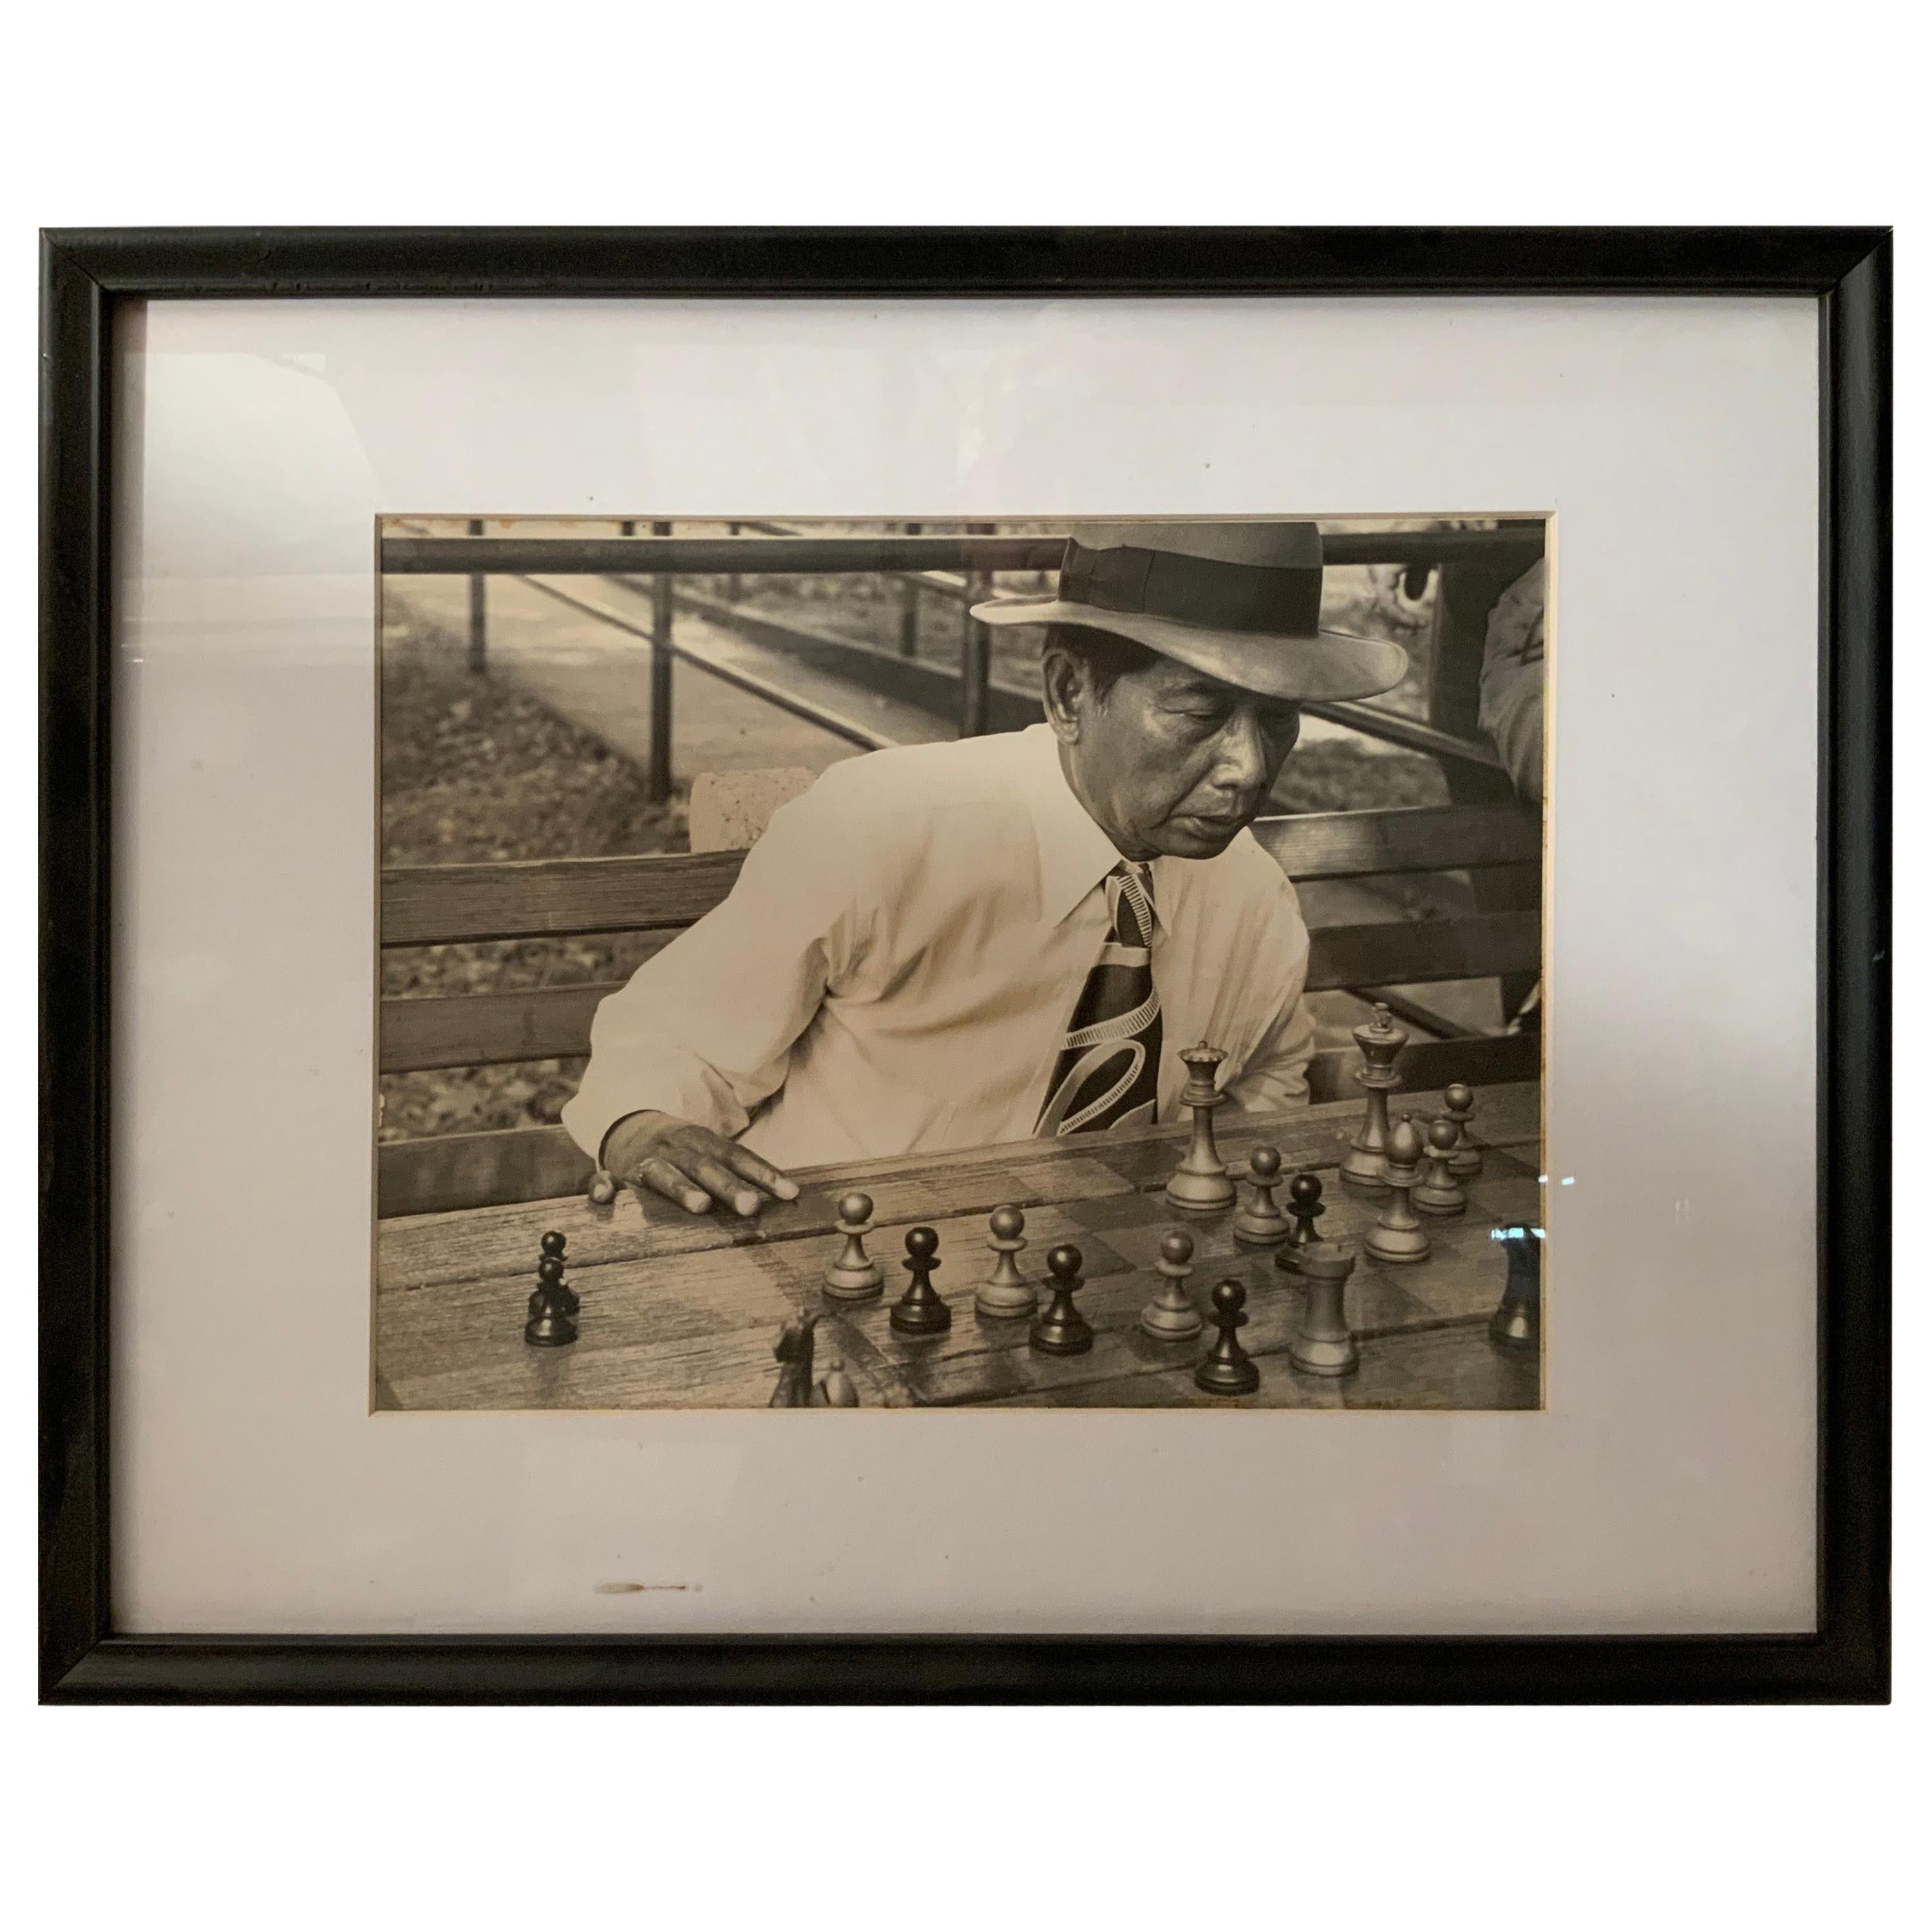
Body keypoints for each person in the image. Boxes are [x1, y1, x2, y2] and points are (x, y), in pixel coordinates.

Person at [560, 520, 1409, 1216]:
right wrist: (642, 1127)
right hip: (827, 1255)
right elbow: (673, 1041)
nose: (1250, 768)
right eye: (1202, 712)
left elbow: (1268, 1077)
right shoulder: (884, 829)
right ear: (1070, 694)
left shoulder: (1250, 897)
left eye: (1278, 722)